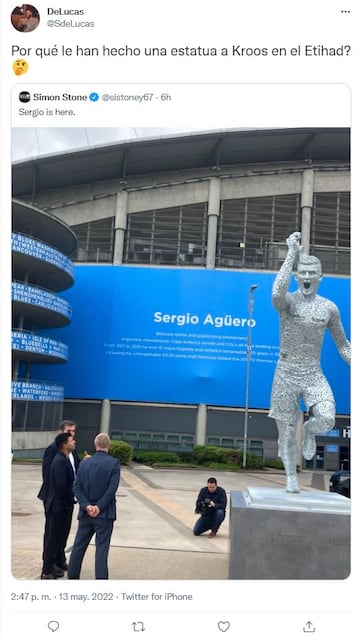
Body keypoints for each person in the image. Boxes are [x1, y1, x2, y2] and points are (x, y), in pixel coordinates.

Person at [269, 231, 350, 493]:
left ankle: (311, 430)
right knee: (286, 432)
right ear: (296, 275)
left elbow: (344, 345)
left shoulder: (329, 308)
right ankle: (291, 476)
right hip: (286, 372)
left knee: (327, 417)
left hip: (313, 373)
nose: (306, 277)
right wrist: (291, 252)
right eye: (301, 273)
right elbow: (276, 293)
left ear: (319, 277)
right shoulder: (288, 303)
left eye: (311, 273)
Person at [68, 433, 120, 580]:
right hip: (104, 515)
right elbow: (112, 489)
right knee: (102, 550)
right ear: (108, 445)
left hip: (86, 514)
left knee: (78, 546)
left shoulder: (84, 463)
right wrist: (99, 507)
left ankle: (72, 576)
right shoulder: (114, 463)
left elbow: (76, 487)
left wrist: (86, 506)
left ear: (95, 444)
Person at [38, 420, 80, 574]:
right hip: (55, 498)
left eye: (73, 431)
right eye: (69, 431)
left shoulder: (72, 451)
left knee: (64, 531)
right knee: (52, 533)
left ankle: (59, 559)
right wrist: (54, 497)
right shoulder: (53, 450)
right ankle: (48, 565)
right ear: (61, 432)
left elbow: (76, 469)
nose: (72, 434)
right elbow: (49, 475)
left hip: (68, 499)